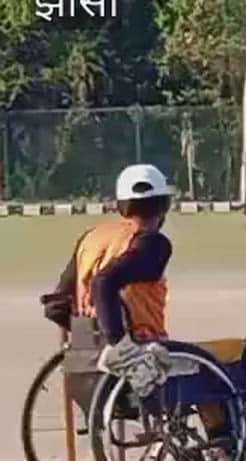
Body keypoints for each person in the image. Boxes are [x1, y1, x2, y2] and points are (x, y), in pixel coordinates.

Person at [41, 164, 174, 400]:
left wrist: (93, 333)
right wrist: (119, 344)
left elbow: (55, 307)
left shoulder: (92, 238)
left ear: (121, 206)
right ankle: (226, 435)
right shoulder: (153, 244)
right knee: (244, 358)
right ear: (165, 205)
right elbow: (104, 282)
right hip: (140, 365)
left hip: (84, 373)